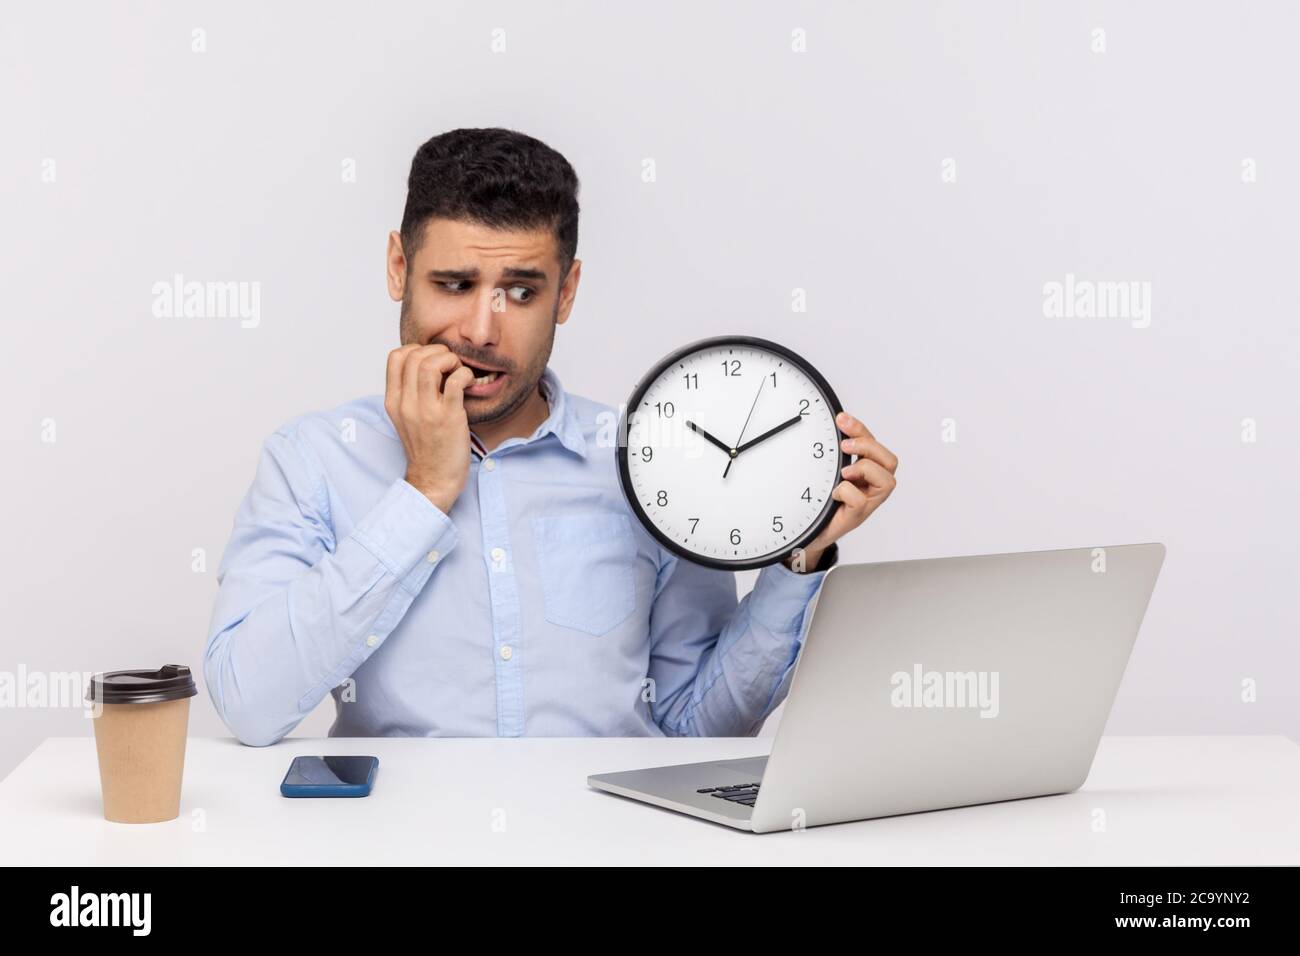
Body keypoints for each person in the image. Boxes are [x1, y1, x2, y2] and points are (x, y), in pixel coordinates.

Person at [203, 127, 898, 746]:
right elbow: (248, 705)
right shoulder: (313, 461)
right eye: (453, 283)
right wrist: (424, 492)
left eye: (522, 292)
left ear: (566, 292)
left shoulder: (647, 462)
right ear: (398, 269)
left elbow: (693, 728)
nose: (480, 328)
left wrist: (798, 556)